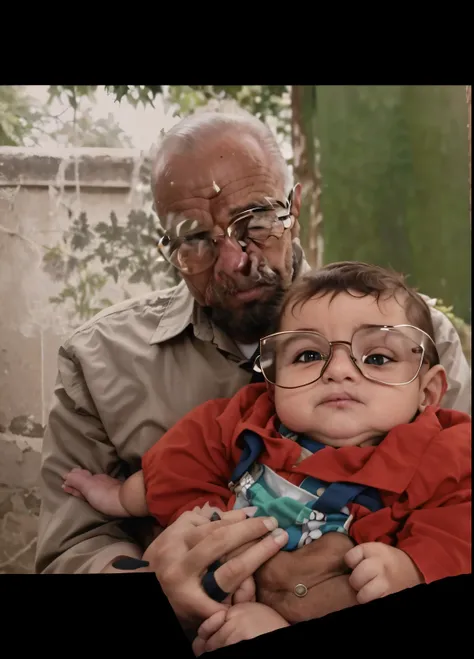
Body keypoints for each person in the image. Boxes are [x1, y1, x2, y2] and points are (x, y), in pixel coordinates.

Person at [36, 109, 471, 632]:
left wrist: (413, 569)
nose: (234, 262)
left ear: (295, 208)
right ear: (166, 247)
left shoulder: (417, 340)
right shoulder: (100, 360)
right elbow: (71, 548)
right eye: (194, 237)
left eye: (257, 221)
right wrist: (154, 585)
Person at [62, 261, 472, 654]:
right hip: (235, 601)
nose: (339, 370)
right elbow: (186, 455)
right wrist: (125, 497)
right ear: (273, 383)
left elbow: (459, 521)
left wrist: (413, 569)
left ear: (429, 392)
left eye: (377, 358)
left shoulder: (443, 451)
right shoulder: (251, 419)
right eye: (309, 356)